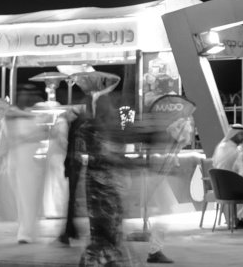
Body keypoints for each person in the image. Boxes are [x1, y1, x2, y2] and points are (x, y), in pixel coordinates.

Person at [80, 95, 172, 265]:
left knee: (109, 229)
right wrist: (136, 164)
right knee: (105, 229)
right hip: (101, 189)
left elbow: (120, 146)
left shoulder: (103, 128)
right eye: (108, 107)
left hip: (106, 187)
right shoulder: (94, 129)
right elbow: (108, 157)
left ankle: (105, 259)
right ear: (101, 111)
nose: (113, 111)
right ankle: (103, 260)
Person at [0, 86, 48, 244]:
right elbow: (3, 139)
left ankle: (26, 232)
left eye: (28, 94)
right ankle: (25, 229)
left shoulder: (37, 116)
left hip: (30, 164)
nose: (25, 97)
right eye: (23, 94)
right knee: (20, 198)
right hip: (14, 162)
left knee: (28, 197)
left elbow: (44, 133)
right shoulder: (12, 116)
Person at [57, 108, 87, 245]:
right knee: (72, 199)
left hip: (73, 164)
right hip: (75, 164)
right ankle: (70, 230)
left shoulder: (76, 126)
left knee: (72, 198)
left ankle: (69, 231)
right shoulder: (79, 125)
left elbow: (71, 148)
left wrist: (67, 165)